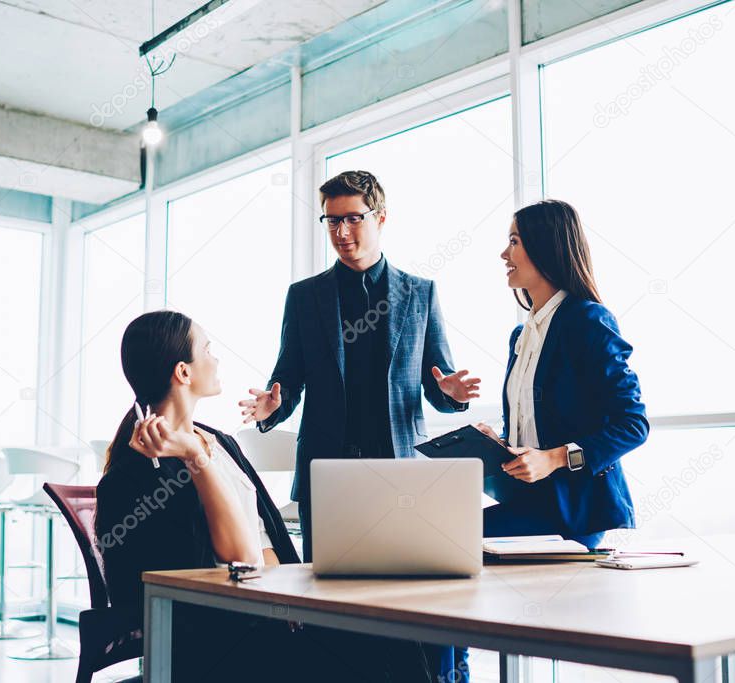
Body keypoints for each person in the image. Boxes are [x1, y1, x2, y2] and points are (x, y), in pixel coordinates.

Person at [95, 310, 433, 682]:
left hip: (275, 612)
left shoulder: (218, 441)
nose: (216, 358)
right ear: (183, 372)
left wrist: (300, 597)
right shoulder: (143, 471)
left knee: (395, 634)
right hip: (227, 641)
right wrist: (196, 458)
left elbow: (265, 536)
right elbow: (240, 559)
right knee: (386, 649)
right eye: (207, 350)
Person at [239, 170, 479, 681]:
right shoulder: (305, 297)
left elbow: (438, 378)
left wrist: (451, 395)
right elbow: (287, 380)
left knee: (408, 604)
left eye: (353, 219)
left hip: (402, 474)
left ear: (381, 217)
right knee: (333, 604)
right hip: (330, 475)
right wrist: (269, 409)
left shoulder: (421, 292)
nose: (342, 232)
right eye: (332, 221)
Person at [476, 199, 648, 549]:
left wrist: (554, 458)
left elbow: (633, 425)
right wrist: (498, 445)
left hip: (573, 511)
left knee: (452, 536)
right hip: (527, 501)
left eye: (514, 242)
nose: (503, 254)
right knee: (443, 531)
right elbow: (534, 431)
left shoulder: (588, 321)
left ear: (546, 247)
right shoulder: (520, 337)